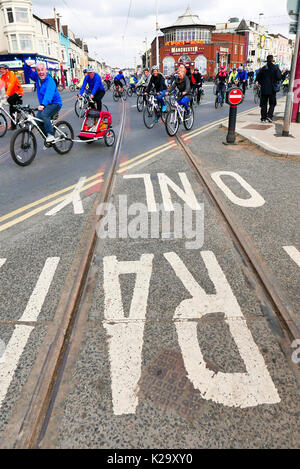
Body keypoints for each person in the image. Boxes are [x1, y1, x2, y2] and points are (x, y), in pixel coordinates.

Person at [24, 61, 62, 142]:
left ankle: (50, 135)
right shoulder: (37, 77)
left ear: (46, 70)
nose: (41, 72)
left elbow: (49, 94)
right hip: (45, 105)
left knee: (44, 115)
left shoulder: (50, 81)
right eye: (38, 70)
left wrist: (43, 104)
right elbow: (28, 72)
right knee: (37, 120)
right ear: (37, 71)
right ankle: (47, 138)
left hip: (55, 104)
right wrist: (27, 65)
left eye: (42, 70)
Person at [255, 55, 282, 123]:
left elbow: (258, 78)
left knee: (263, 104)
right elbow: (279, 77)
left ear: (266, 60)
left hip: (264, 89)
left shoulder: (263, 68)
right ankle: (269, 116)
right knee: (272, 103)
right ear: (272, 60)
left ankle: (263, 118)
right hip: (272, 89)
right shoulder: (275, 68)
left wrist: (261, 83)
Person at [0, 63, 24, 130]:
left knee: (10, 102)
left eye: (2, 69)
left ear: (7, 70)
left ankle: (19, 113)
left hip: (18, 92)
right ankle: (13, 125)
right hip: (11, 94)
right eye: (0, 69)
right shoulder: (2, 77)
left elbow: (11, 85)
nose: (1, 70)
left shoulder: (11, 75)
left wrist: (7, 94)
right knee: (11, 109)